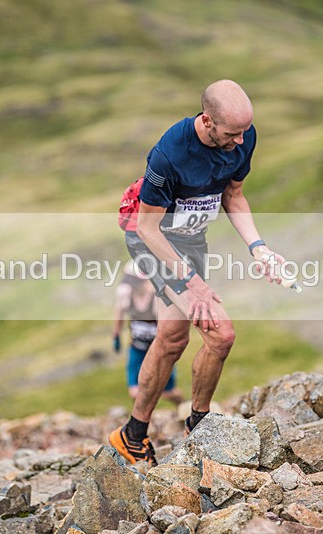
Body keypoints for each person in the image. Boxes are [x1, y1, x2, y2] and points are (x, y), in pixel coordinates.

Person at [108, 79, 288, 466]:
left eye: (245, 132)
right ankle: (200, 427)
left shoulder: (243, 137)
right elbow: (147, 229)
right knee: (221, 334)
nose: (241, 141)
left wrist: (258, 247)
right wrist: (194, 284)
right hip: (153, 242)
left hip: (191, 241)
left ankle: (131, 436)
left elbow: (233, 196)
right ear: (207, 120)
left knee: (172, 339)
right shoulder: (169, 153)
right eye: (233, 133)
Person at [112, 261, 184, 405]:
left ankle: (183, 406)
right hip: (137, 348)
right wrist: (116, 335)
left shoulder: (157, 298)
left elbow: (166, 326)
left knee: (168, 392)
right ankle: (143, 418)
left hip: (158, 350)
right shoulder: (126, 295)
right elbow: (119, 313)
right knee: (135, 391)